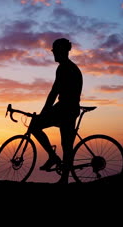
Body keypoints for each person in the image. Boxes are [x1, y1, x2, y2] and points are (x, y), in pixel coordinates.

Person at [29, 38, 83, 184]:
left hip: (66, 109)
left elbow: (54, 92)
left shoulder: (65, 68)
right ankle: (63, 176)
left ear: (62, 51)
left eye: (55, 51)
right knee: (66, 145)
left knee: (35, 126)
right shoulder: (70, 67)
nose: (53, 54)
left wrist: (44, 112)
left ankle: (54, 159)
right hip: (69, 109)